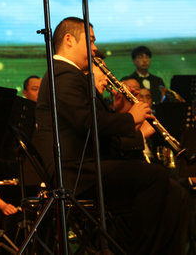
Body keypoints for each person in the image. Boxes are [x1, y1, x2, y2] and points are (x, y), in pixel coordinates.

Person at [32, 17, 192, 254]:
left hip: (85, 166)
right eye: (91, 40)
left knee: (174, 188)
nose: (95, 48)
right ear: (69, 40)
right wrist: (131, 119)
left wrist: (124, 120)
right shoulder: (63, 75)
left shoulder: (67, 75)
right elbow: (88, 123)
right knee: (156, 177)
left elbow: (94, 128)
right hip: (76, 173)